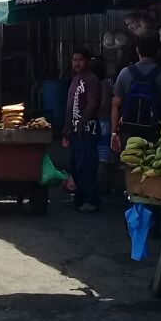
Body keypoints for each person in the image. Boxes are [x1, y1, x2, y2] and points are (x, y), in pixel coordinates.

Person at [110, 37, 161, 153]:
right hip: (155, 131)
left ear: (137, 51)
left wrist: (114, 133)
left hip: (128, 131)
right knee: (152, 165)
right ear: (158, 52)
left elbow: (116, 106)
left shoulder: (125, 73)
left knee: (130, 164)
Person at [64, 49, 101, 213]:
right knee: (74, 166)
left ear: (87, 61)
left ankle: (91, 200)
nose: (76, 63)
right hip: (74, 131)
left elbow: (92, 103)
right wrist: (67, 129)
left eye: (80, 60)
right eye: (74, 59)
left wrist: (81, 124)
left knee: (86, 166)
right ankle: (79, 198)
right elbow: (70, 105)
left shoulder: (91, 80)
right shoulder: (76, 79)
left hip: (87, 130)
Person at [90, 58, 117, 194]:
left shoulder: (101, 85)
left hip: (102, 122)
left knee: (102, 158)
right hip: (104, 122)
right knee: (104, 157)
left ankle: (102, 186)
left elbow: (104, 104)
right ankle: (106, 185)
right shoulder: (107, 84)